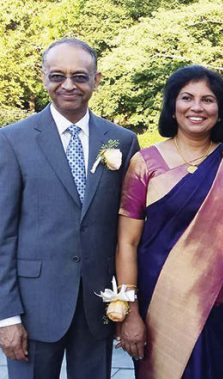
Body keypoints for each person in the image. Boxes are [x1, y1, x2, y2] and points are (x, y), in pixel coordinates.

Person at [0, 38, 139, 379]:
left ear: (97, 79)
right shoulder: (12, 140)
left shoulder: (122, 141)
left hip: (98, 305)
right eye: (57, 75)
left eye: (79, 76)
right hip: (34, 308)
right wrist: (7, 317)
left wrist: (127, 304)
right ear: (43, 77)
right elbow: (3, 234)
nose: (68, 85)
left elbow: (129, 229)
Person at [115, 65, 223, 379]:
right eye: (187, 98)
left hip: (221, 305)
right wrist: (130, 313)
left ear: (220, 110)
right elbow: (127, 243)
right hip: (159, 304)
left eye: (208, 100)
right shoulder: (145, 163)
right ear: (173, 106)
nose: (197, 107)